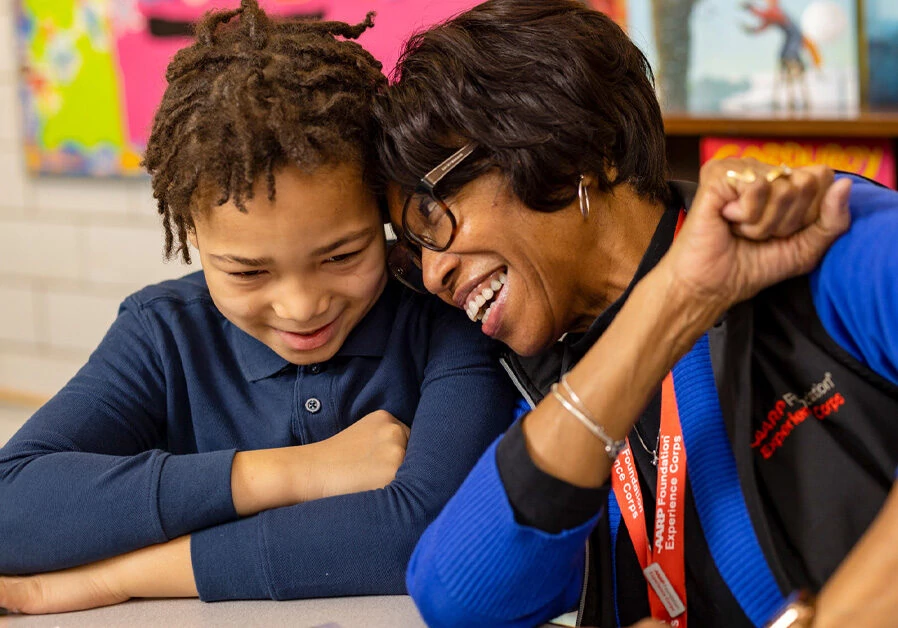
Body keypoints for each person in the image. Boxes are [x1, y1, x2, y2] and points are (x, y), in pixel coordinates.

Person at [375, 1, 898, 626]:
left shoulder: (824, 236)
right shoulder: (540, 382)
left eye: (433, 216)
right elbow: (455, 597)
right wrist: (672, 300)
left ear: (573, 150)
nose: (433, 275)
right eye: (410, 252)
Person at [0, 1, 518, 614]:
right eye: (248, 271)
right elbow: (12, 509)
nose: (301, 306)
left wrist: (118, 576)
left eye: (342, 255)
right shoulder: (162, 333)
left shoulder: (446, 312)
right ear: (193, 236)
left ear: (383, 207)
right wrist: (297, 471)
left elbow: (425, 532)